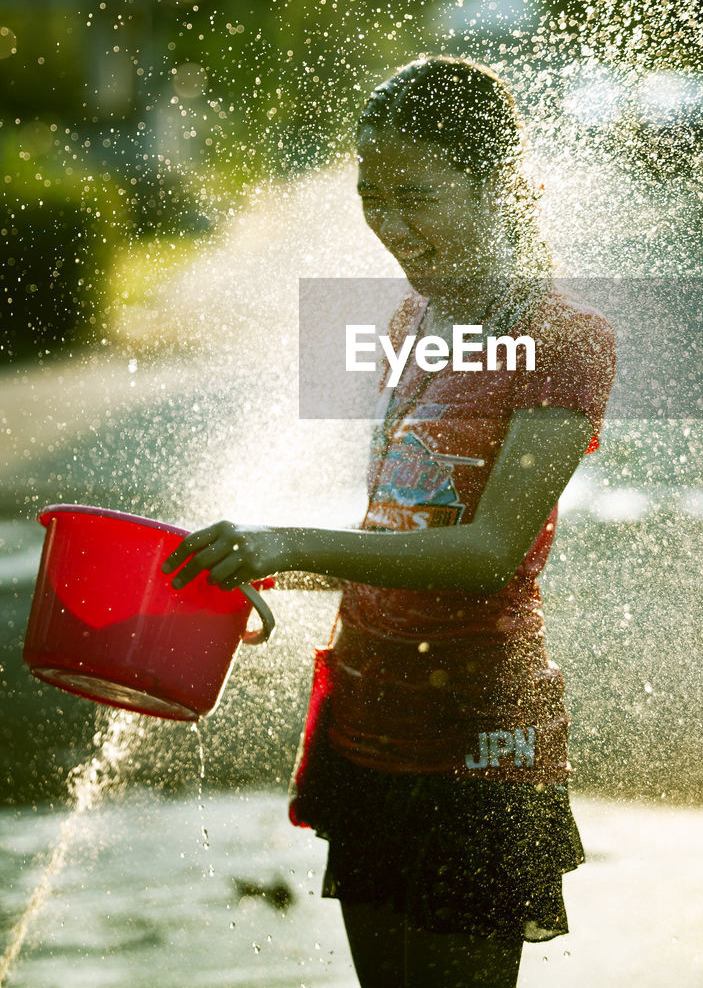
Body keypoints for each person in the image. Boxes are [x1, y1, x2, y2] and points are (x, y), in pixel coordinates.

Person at [162, 56, 616, 988]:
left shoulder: (568, 339)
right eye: (372, 195)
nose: (391, 226)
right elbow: (403, 524)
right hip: (368, 713)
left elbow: (490, 553)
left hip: (476, 733)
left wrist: (293, 541)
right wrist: (265, 559)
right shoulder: (414, 316)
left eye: (418, 195)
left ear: (495, 181)